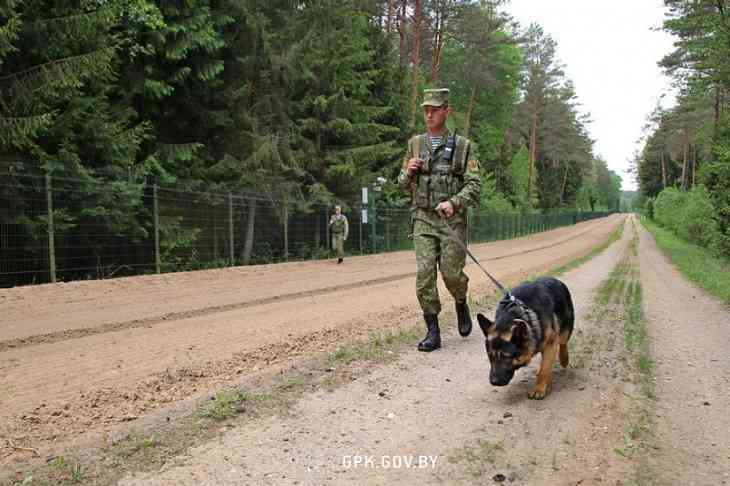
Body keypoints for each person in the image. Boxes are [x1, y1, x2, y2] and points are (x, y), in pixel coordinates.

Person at [397, 88, 482, 352]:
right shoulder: (414, 144)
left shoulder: (463, 147)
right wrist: (408, 173)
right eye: (426, 109)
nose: (429, 114)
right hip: (422, 217)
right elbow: (400, 184)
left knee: (451, 273)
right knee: (424, 275)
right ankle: (432, 331)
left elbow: (475, 185)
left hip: (451, 222)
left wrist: (453, 202)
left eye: (435, 109)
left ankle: (460, 299)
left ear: (447, 110)